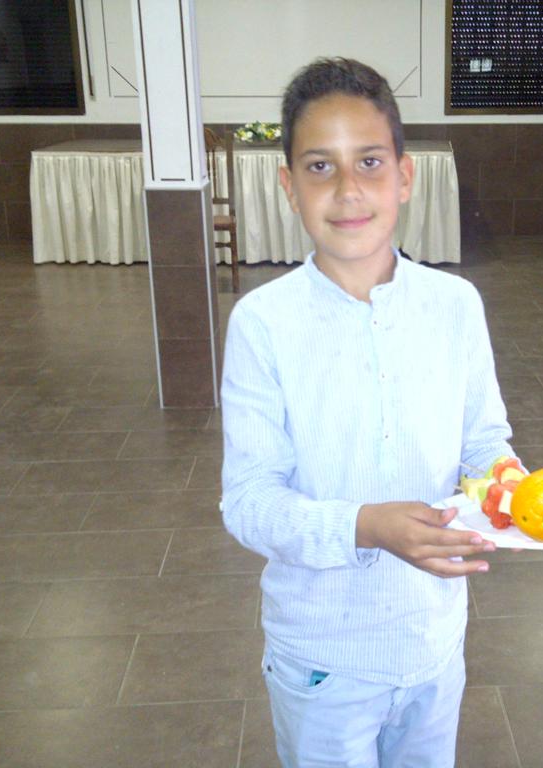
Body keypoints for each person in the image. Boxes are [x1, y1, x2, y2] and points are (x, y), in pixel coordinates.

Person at [220, 57, 515, 767]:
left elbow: (484, 442)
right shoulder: (263, 323)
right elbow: (250, 503)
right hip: (322, 658)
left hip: (434, 639)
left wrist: (517, 489)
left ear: (405, 178)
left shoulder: (454, 306)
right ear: (288, 187)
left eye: (370, 162)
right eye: (320, 166)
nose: (348, 189)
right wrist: (366, 526)